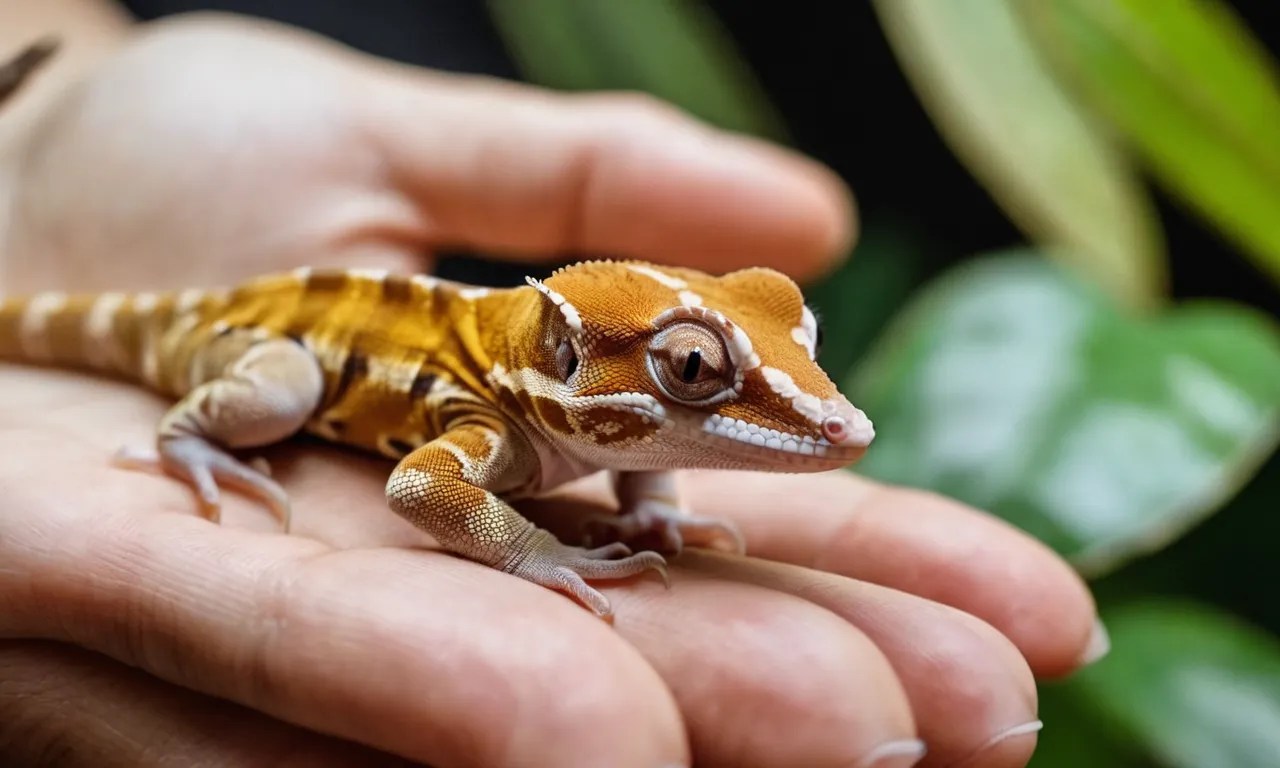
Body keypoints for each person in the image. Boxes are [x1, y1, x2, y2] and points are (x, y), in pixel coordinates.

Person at [0, 4, 1104, 767]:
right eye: (688, 374)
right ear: (573, 365)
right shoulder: (492, 424)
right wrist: (540, 551)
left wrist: (650, 495)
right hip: (234, 338)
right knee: (274, 395)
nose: (825, 417)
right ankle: (197, 432)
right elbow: (419, 492)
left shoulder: (574, 418)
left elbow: (630, 441)